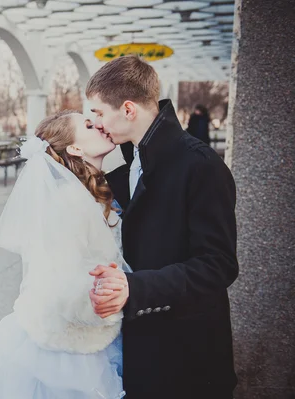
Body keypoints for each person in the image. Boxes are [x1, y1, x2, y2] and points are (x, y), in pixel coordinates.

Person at [0, 111, 131, 399]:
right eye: (89, 125)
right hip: (70, 344)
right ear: (75, 149)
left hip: (79, 333)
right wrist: (110, 307)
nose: (100, 126)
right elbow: (61, 281)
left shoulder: (89, 191)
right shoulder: (71, 201)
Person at [86, 55, 238, 399]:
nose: (96, 123)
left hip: (189, 354)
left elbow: (219, 264)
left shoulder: (201, 166)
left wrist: (135, 288)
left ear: (127, 109)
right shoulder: (133, 159)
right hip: (145, 347)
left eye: (98, 113)